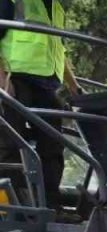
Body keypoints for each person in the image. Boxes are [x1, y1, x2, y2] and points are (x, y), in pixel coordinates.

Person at [0, 0, 72, 204]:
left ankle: (50, 205)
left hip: (49, 85)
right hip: (16, 79)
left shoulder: (57, 8)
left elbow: (60, 51)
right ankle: (10, 207)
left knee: (53, 147)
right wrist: (2, 79)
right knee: (11, 144)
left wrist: (74, 88)